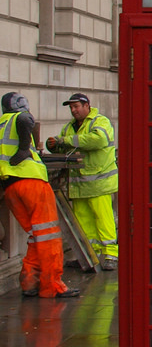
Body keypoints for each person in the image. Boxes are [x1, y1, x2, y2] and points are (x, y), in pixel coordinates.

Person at [0, 92, 79, 299]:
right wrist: (25, 149)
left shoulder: (2, 123)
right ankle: (53, 286)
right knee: (49, 236)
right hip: (31, 183)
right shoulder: (20, 117)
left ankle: (29, 282)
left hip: (10, 187)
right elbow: (27, 119)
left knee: (36, 236)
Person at [46, 92, 119, 271]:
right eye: (71, 107)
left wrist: (66, 141)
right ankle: (89, 255)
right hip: (79, 185)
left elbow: (98, 139)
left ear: (87, 106)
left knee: (103, 219)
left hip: (99, 182)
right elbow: (63, 143)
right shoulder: (69, 127)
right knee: (83, 222)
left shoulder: (100, 121)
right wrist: (53, 144)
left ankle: (111, 254)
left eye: (76, 106)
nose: (73, 110)